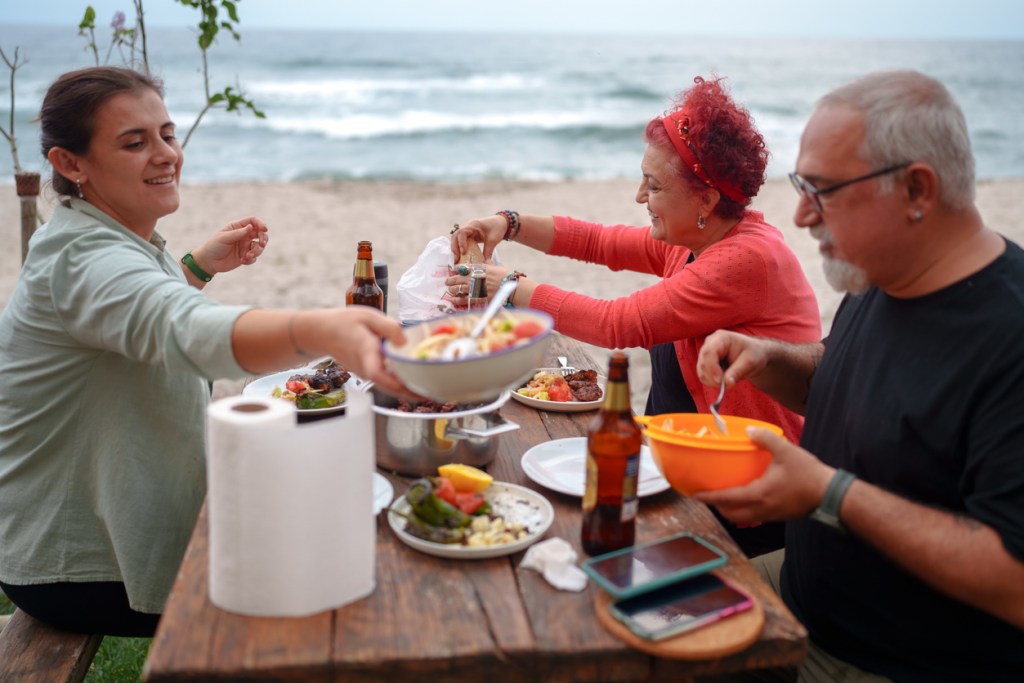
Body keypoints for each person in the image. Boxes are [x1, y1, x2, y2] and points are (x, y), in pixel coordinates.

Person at [0, 66, 408, 637]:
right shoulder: (82, 259)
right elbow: (179, 329)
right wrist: (327, 329)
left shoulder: (108, 236)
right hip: (82, 565)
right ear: (71, 164)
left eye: (167, 134)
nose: (166, 153)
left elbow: (138, 313)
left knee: (343, 522)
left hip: (125, 520)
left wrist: (194, 266)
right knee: (342, 582)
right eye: (134, 142)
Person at [695, 70, 1024, 682]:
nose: (799, 215)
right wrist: (770, 359)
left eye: (821, 189)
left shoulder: (1009, 335)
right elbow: (845, 376)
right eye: (800, 186)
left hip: (890, 660)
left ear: (916, 189)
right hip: (803, 590)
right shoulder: (884, 270)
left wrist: (830, 492)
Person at [448, 76, 821, 557]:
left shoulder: (746, 259)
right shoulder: (697, 238)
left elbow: (619, 324)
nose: (639, 197)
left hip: (746, 492)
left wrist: (510, 285)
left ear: (705, 200)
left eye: (654, 185)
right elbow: (599, 241)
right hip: (689, 464)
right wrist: (509, 223)